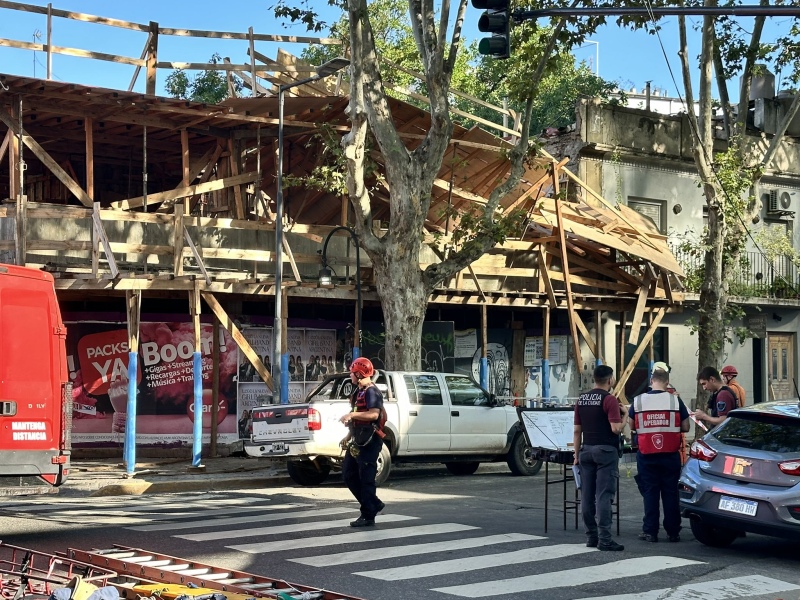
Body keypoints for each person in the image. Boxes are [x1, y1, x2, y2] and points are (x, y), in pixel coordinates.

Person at [629, 366, 690, 543]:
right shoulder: (675, 401)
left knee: (650, 493)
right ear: (667, 382)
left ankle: (650, 531)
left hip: (647, 454)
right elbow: (685, 427)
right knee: (671, 494)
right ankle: (673, 532)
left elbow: (632, 426)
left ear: (651, 381)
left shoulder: (638, 401)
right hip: (670, 455)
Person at [573, 364, 628, 551]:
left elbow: (577, 430)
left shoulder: (582, 399)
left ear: (594, 379)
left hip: (586, 450)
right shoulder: (609, 399)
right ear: (610, 380)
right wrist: (626, 417)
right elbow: (615, 428)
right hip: (605, 451)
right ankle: (605, 539)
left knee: (587, 496)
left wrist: (576, 455)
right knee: (604, 495)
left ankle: (591, 537)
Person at [339, 357, 386, 527]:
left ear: (359, 374)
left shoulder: (372, 392)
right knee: (348, 473)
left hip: (370, 441)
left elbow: (373, 414)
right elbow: (358, 416)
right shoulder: (358, 391)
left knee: (366, 478)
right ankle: (373, 503)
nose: (350, 375)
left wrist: (351, 415)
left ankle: (368, 515)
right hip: (358, 439)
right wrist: (348, 436)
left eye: (352, 372)